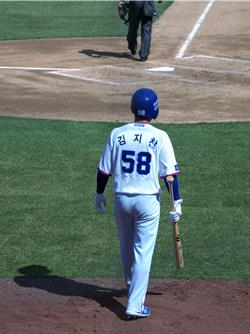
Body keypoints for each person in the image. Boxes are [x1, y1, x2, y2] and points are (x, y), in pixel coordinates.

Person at [94, 88, 183, 320]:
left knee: (127, 250)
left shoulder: (117, 134)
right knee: (142, 252)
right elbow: (170, 175)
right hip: (147, 202)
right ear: (154, 109)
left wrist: (98, 194)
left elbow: (104, 170)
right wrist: (177, 204)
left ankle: (133, 293)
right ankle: (135, 304)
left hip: (121, 199)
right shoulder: (160, 137)